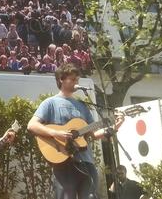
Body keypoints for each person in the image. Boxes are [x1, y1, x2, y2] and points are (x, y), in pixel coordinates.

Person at [27, 63, 124, 199]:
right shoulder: (50, 103)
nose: (76, 83)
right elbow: (32, 125)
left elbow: (93, 134)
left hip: (87, 163)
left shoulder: (83, 105)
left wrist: (116, 126)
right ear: (61, 79)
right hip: (64, 163)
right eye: (72, 80)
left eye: (77, 80)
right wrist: (56, 133)